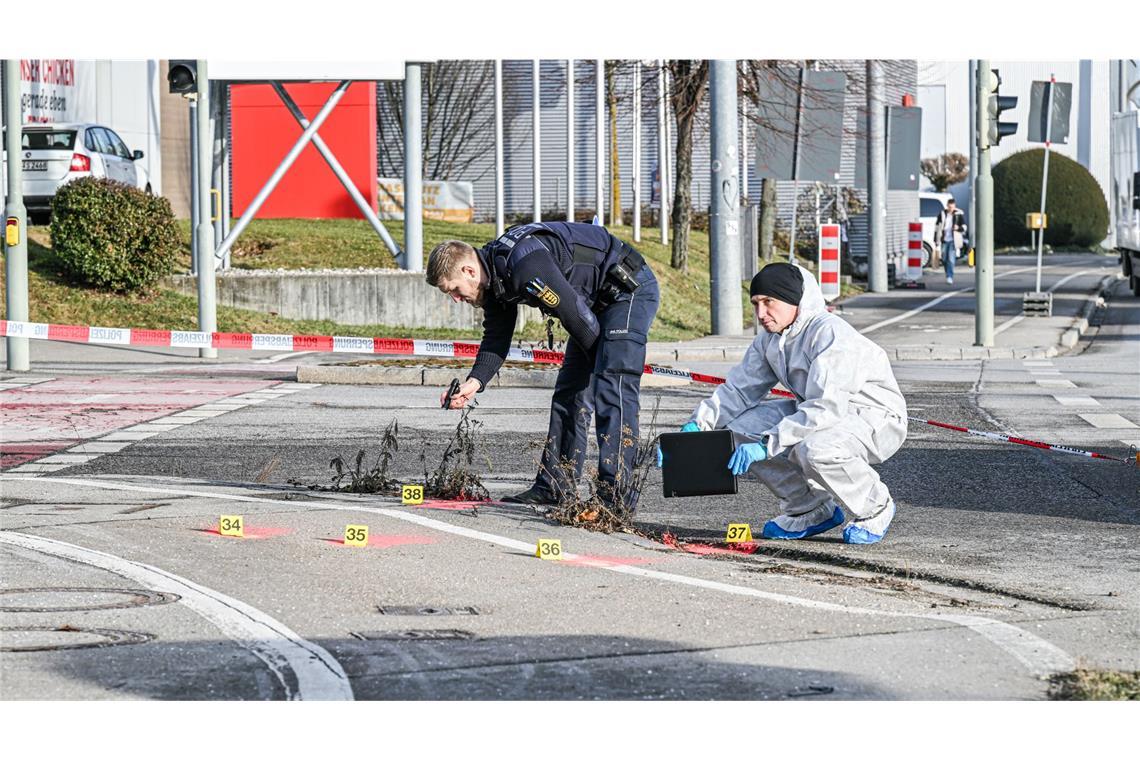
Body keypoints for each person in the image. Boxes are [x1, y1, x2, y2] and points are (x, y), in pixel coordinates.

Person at [426, 221, 659, 513]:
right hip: (591, 305)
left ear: (469, 271)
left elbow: (575, 316)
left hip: (628, 291)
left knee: (612, 385)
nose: (457, 299)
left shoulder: (524, 263)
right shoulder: (497, 276)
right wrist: (473, 384)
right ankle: (555, 485)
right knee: (570, 392)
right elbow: (496, 339)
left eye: (455, 290)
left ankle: (616, 499)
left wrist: (606, 364)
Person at [674, 263, 908, 544]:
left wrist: (767, 444)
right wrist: (698, 425)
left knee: (815, 449)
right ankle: (810, 509)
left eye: (768, 302)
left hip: (875, 418)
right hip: (820, 410)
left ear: (793, 299)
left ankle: (876, 506)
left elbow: (826, 406)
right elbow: (739, 390)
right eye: (756, 303)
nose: (760, 313)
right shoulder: (770, 340)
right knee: (740, 429)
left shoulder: (830, 334)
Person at [934, 199, 966, 284]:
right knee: (944, 259)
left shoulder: (958, 215)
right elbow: (937, 227)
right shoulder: (942, 214)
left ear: (954, 206)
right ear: (947, 206)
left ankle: (949, 276)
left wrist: (958, 228)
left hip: (953, 240)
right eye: (949, 207)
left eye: (952, 207)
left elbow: (964, 227)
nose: (951, 208)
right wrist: (936, 239)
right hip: (944, 239)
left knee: (951, 259)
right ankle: (947, 273)